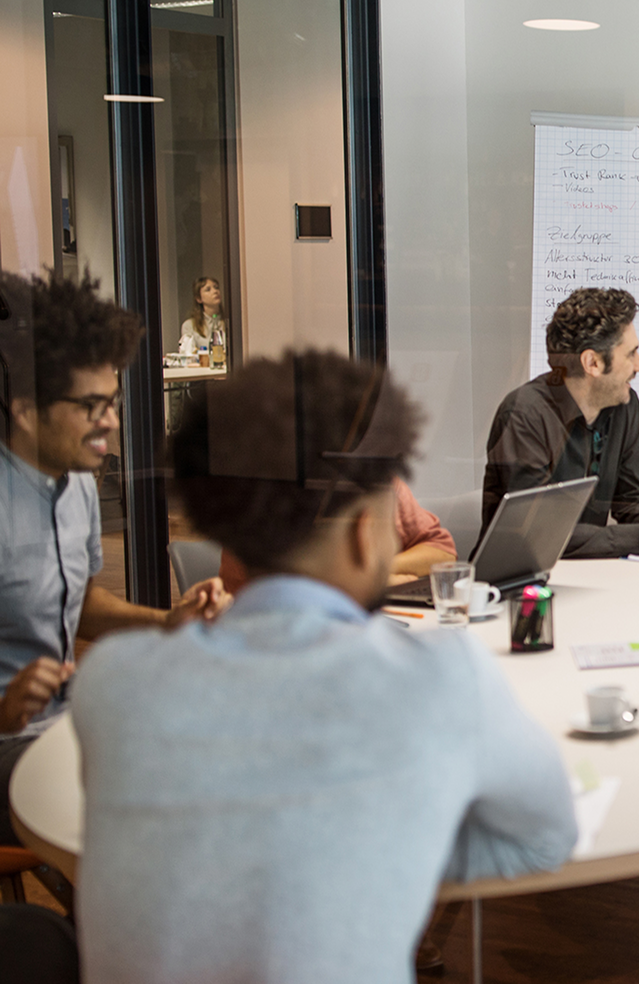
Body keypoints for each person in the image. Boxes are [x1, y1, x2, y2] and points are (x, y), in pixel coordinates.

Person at [73, 350, 577, 984]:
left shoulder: (112, 682)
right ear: (367, 533)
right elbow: (545, 837)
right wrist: (382, 843)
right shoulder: (437, 678)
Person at [0, 270, 228, 846]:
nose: (113, 423)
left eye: (114, 401)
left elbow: (75, 606)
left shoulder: (75, 481)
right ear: (25, 410)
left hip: (66, 725)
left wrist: (167, 621)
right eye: (92, 406)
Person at [482, 287, 639, 558]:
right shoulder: (525, 415)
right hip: (516, 583)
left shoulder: (624, 405)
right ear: (592, 362)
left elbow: (636, 504)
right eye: (631, 354)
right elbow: (535, 534)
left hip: (589, 575)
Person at [217, 476, 457, 592]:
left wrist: (380, 571)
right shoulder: (261, 500)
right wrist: (374, 580)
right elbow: (260, 590)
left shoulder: (382, 486)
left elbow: (443, 554)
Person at [177, 276, 225, 353]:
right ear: (199, 299)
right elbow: (189, 352)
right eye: (208, 290)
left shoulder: (229, 323)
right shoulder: (190, 326)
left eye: (216, 288)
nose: (215, 291)